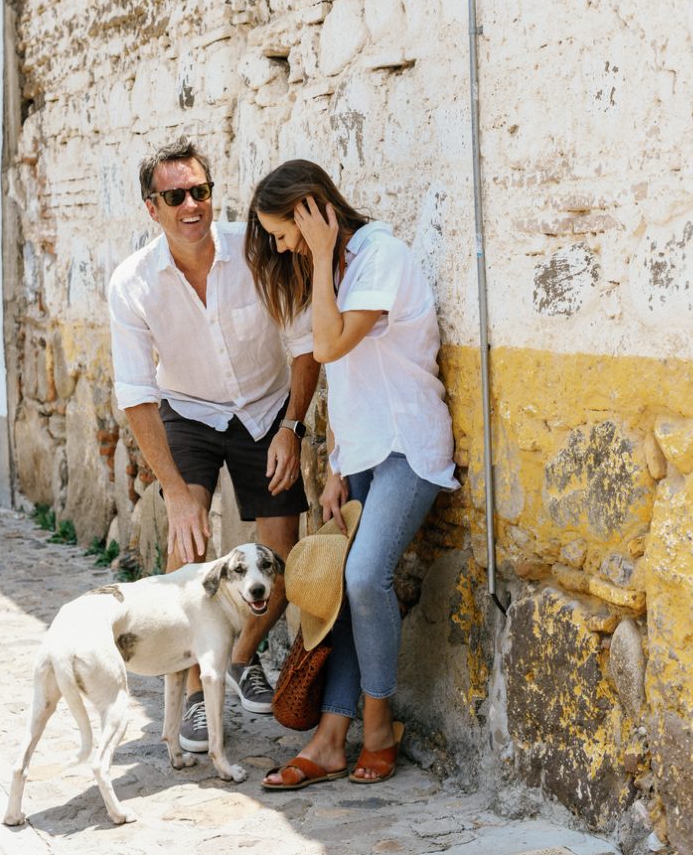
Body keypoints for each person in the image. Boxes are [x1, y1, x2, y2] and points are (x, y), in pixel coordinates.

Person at [245, 159, 458, 788]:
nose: (282, 247)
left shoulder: (379, 257)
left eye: (286, 233)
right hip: (360, 456)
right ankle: (332, 739)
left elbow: (331, 345)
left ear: (313, 212)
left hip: (409, 450)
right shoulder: (335, 270)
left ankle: (378, 722)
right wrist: (335, 465)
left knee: (365, 577)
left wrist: (317, 254)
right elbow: (346, 378)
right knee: (338, 592)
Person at [108, 138, 320, 754]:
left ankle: (236, 655)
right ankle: (199, 700)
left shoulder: (256, 253)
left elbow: (306, 345)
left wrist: (292, 427)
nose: (192, 205)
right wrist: (176, 493)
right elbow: (136, 392)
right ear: (153, 208)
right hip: (189, 413)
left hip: (265, 410)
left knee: (283, 556)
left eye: (200, 191)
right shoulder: (133, 283)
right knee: (188, 554)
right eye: (176, 196)